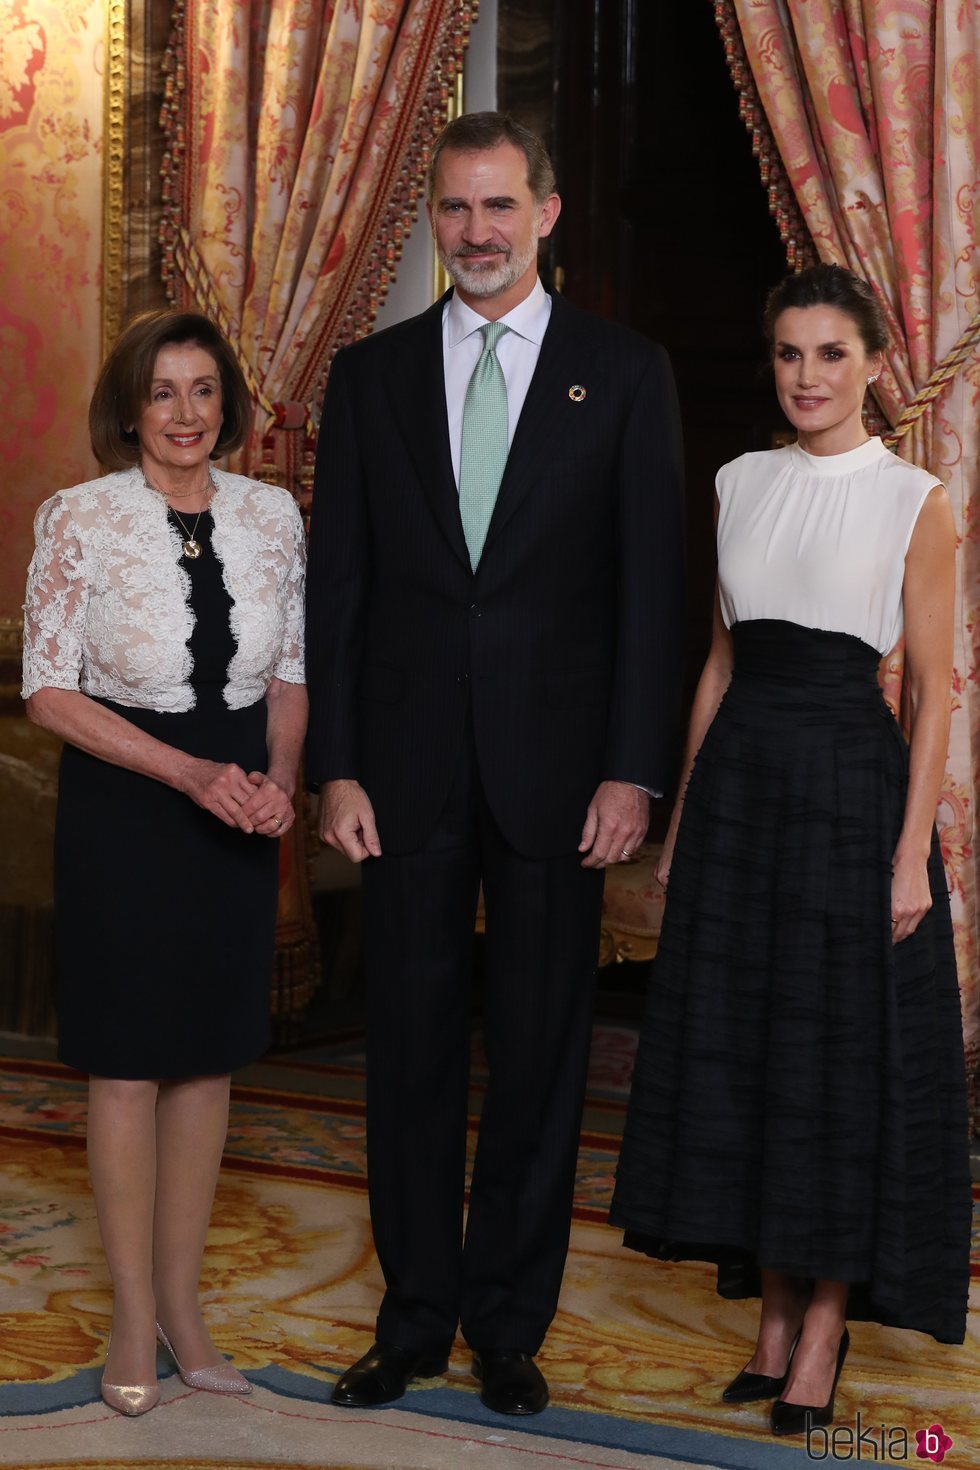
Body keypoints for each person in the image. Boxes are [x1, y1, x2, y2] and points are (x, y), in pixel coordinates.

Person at [305, 111, 684, 1415]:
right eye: (456, 210)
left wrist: (633, 768)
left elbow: (654, 592)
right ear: (436, 218)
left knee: (539, 1053)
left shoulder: (625, 373)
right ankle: (411, 1315)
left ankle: (509, 1321)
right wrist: (337, 766)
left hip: (559, 772)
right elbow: (337, 588)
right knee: (405, 1049)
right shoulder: (372, 376)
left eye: (499, 207)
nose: (475, 232)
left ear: (549, 211)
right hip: (401, 771)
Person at [611, 263, 972, 1437]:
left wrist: (909, 850)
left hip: (847, 793)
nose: (806, 376)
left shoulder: (915, 498)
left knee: (835, 1061)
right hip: (739, 800)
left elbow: (928, 694)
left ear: (874, 363)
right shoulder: (736, 480)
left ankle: (822, 1323)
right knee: (746, 1048)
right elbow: (716, 665)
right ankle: (768, 1311)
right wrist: (678, 822)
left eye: (829, 354)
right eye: (786, 354)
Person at [21, 309, 308, 1416]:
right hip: (128, 804)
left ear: (225, 405)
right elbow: (49, 689)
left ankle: (186, 1311)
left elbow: (291, 667)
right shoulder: (80, 517)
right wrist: (188, 776)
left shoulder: (273, 513)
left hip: (239, 800)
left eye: (202, 391)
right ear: (129, 409)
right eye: (163, 392)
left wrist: (280, 776)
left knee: (210, 1057)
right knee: (131, 1061)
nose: (185, 414)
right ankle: (130, 1313)